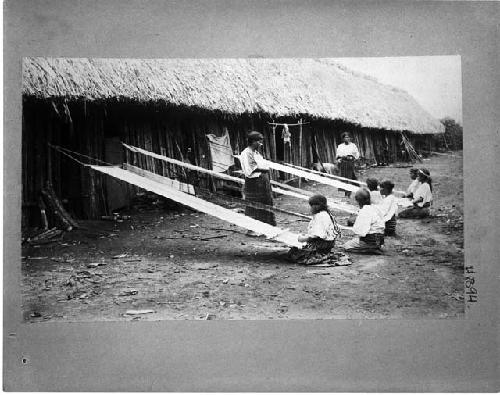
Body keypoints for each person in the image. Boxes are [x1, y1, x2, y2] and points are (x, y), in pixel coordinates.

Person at [288, 194, 349, 265]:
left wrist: (302, 239)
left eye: (311, 206)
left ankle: (319, 253)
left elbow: (317, 235)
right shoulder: (325, 214)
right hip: (327, 244)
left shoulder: (321, 217)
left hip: (321, 245)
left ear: (317, 206)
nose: (310, 209)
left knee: (294, 253)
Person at [239, 131, 276, 227]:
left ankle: (266, 226)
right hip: (254, 183)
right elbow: (250, 169)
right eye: (259, 141)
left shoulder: (256, 153)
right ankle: (252, 229)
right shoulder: (246, 153)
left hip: (263, 182)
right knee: (254, 205)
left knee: (265, 202)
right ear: (253, 141)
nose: (260, 143)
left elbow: (261, 164)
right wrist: (265, 169)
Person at [342, 188, 385, 254]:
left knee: (346, 246)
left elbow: (361, 232)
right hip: (380, 239)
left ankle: (369, 249)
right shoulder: (375, 208)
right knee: (354, 241)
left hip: (370, 240)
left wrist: (354, 222)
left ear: (357, 201)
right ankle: (374, 247)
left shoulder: (364, 211)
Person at [336, 132, 360, 198]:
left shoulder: (353, 145)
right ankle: (346, 193)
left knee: (350, 177)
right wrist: (339, 159)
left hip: (350, 163)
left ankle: (349, 193)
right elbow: (338, 155)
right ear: (343, 139)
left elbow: (356, 154)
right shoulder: (340, 146)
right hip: (343, 164)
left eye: (348, 137)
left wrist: (353, 158)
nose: (347, 138)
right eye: (346, 137)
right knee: (344, 178)